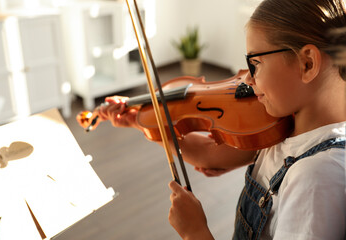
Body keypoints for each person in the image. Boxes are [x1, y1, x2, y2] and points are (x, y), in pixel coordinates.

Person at [88, 0, 346, 239]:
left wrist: (196, 231)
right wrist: (139, 120)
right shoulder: (286, 123)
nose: (247, 79)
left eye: (255, 63)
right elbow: (209, 155)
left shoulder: (316, 180)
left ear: (308, 63)